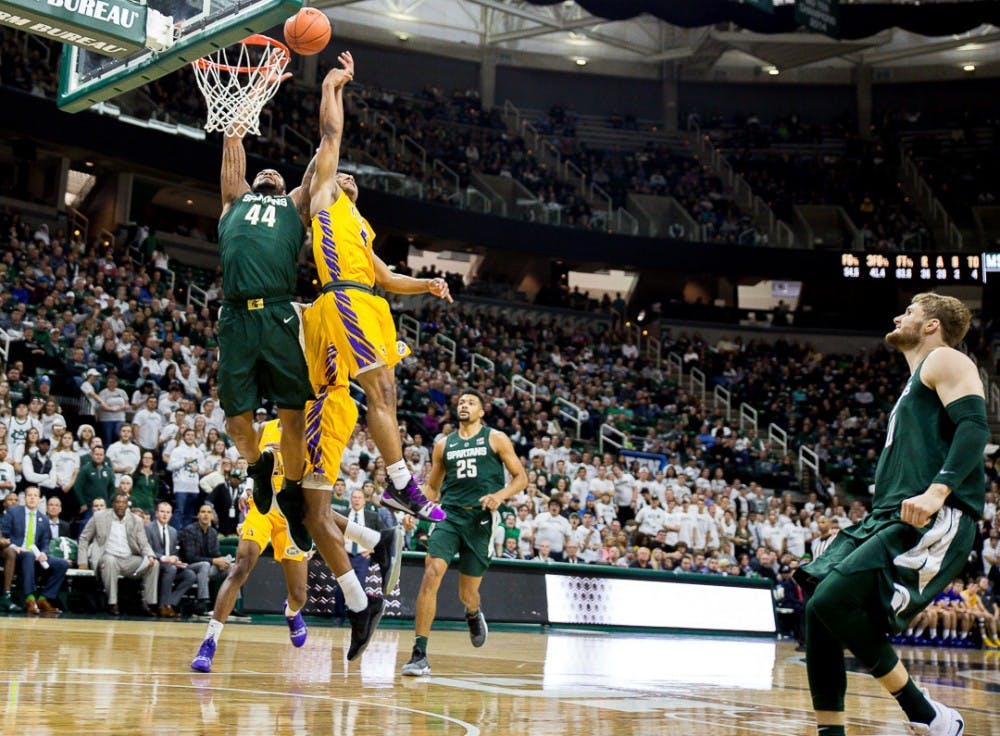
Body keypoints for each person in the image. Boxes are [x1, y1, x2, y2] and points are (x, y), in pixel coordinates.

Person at [796, 294, 989, 736]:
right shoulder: (914, 383)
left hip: (930, 515)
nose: (898, 316)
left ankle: (927, 714)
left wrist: (938, 491)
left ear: (931, 325)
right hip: (888, 516)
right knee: (818, 609)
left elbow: (975, 427)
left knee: (830, 601)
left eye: (909, 311)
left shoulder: (945, 358)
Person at [304, 50, 450, 529]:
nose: (347, 176)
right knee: (381, 389)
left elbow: (386, 278)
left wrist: (426, 283)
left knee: (385, 393)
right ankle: (402, 482)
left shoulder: (360, 224)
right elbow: (331, 135)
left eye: (351, 178)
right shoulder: (325, 197)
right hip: (343, 297)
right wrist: (332, 87)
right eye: (342, 173)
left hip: (368, 300)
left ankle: (395, 481)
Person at [191, 416, 402, 672]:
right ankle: (209, 643)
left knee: (299, 594)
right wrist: (249, 488)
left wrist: (295, 458)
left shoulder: (309, 430)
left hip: (294, 509)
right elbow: (252, 462)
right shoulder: (264, 428)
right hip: (264, 505)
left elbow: (316, 491)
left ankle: (291, 613)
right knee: (240, 567)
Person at [213, 55, 318, 553]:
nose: (271, 171)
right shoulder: (234, 200)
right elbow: (233, 143)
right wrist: (247, 95)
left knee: (294, 415)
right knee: (237, 423)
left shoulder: (294, 206)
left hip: (278, 313)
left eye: (279, 171)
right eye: (266, 169)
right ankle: (259, 467)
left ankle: (292, 494)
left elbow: (323, 158)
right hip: (234, 316)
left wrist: (330, 101)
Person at [402, 390, 527, 676]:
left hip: (480, 519)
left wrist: (500, 495)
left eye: (471, 403)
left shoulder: (496, 438)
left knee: (467, 593)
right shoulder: (443, 445)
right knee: (431, 571)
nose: (464, 405)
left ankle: (472, 612)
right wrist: (413, 511)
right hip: (450, 515)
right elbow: (433, 488)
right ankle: (419, 653)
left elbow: (522, 477)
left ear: (481, 412)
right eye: (461, 402)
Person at [78, 491, 160, 616]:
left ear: (128, 505)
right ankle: (112, 603)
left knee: (154, 564)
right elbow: (84, 538)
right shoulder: (99, 516)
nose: (121, 505)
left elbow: (143, 543)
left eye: (124, 502)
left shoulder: (136, 520)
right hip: (107, 558)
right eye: (118, 502)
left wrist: (150, 556)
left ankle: (149, 604)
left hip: (129, 559)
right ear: (113, 504)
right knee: (109, 560)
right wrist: (82, 561)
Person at [0, 485, 68, 613]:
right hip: (16, 553)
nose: (32, 498)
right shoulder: (13, 512)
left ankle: (43, 599)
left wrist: (43, 553)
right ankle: (30, 598)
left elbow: (45, 542)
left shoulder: (44, 519)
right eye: (29, 495)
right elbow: (4, 534)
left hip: (35, 555)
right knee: (28, 555)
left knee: (61, 564)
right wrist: (14, 546)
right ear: (24, 498)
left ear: (39, 500)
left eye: (35, 496)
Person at [145, 501, 197, 618]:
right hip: (156, 564)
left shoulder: (173, 531)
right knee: (171, 568)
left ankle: (170, 603)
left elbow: (174, 553)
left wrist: (177, 560)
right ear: (156, 513)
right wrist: (165, 558)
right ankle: (163, 606)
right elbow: (147, 549)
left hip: (171, 566)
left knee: (190, 575)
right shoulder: (148, 528)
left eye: (168, 512)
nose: (165, 515)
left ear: (171, 515)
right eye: (162, 512)